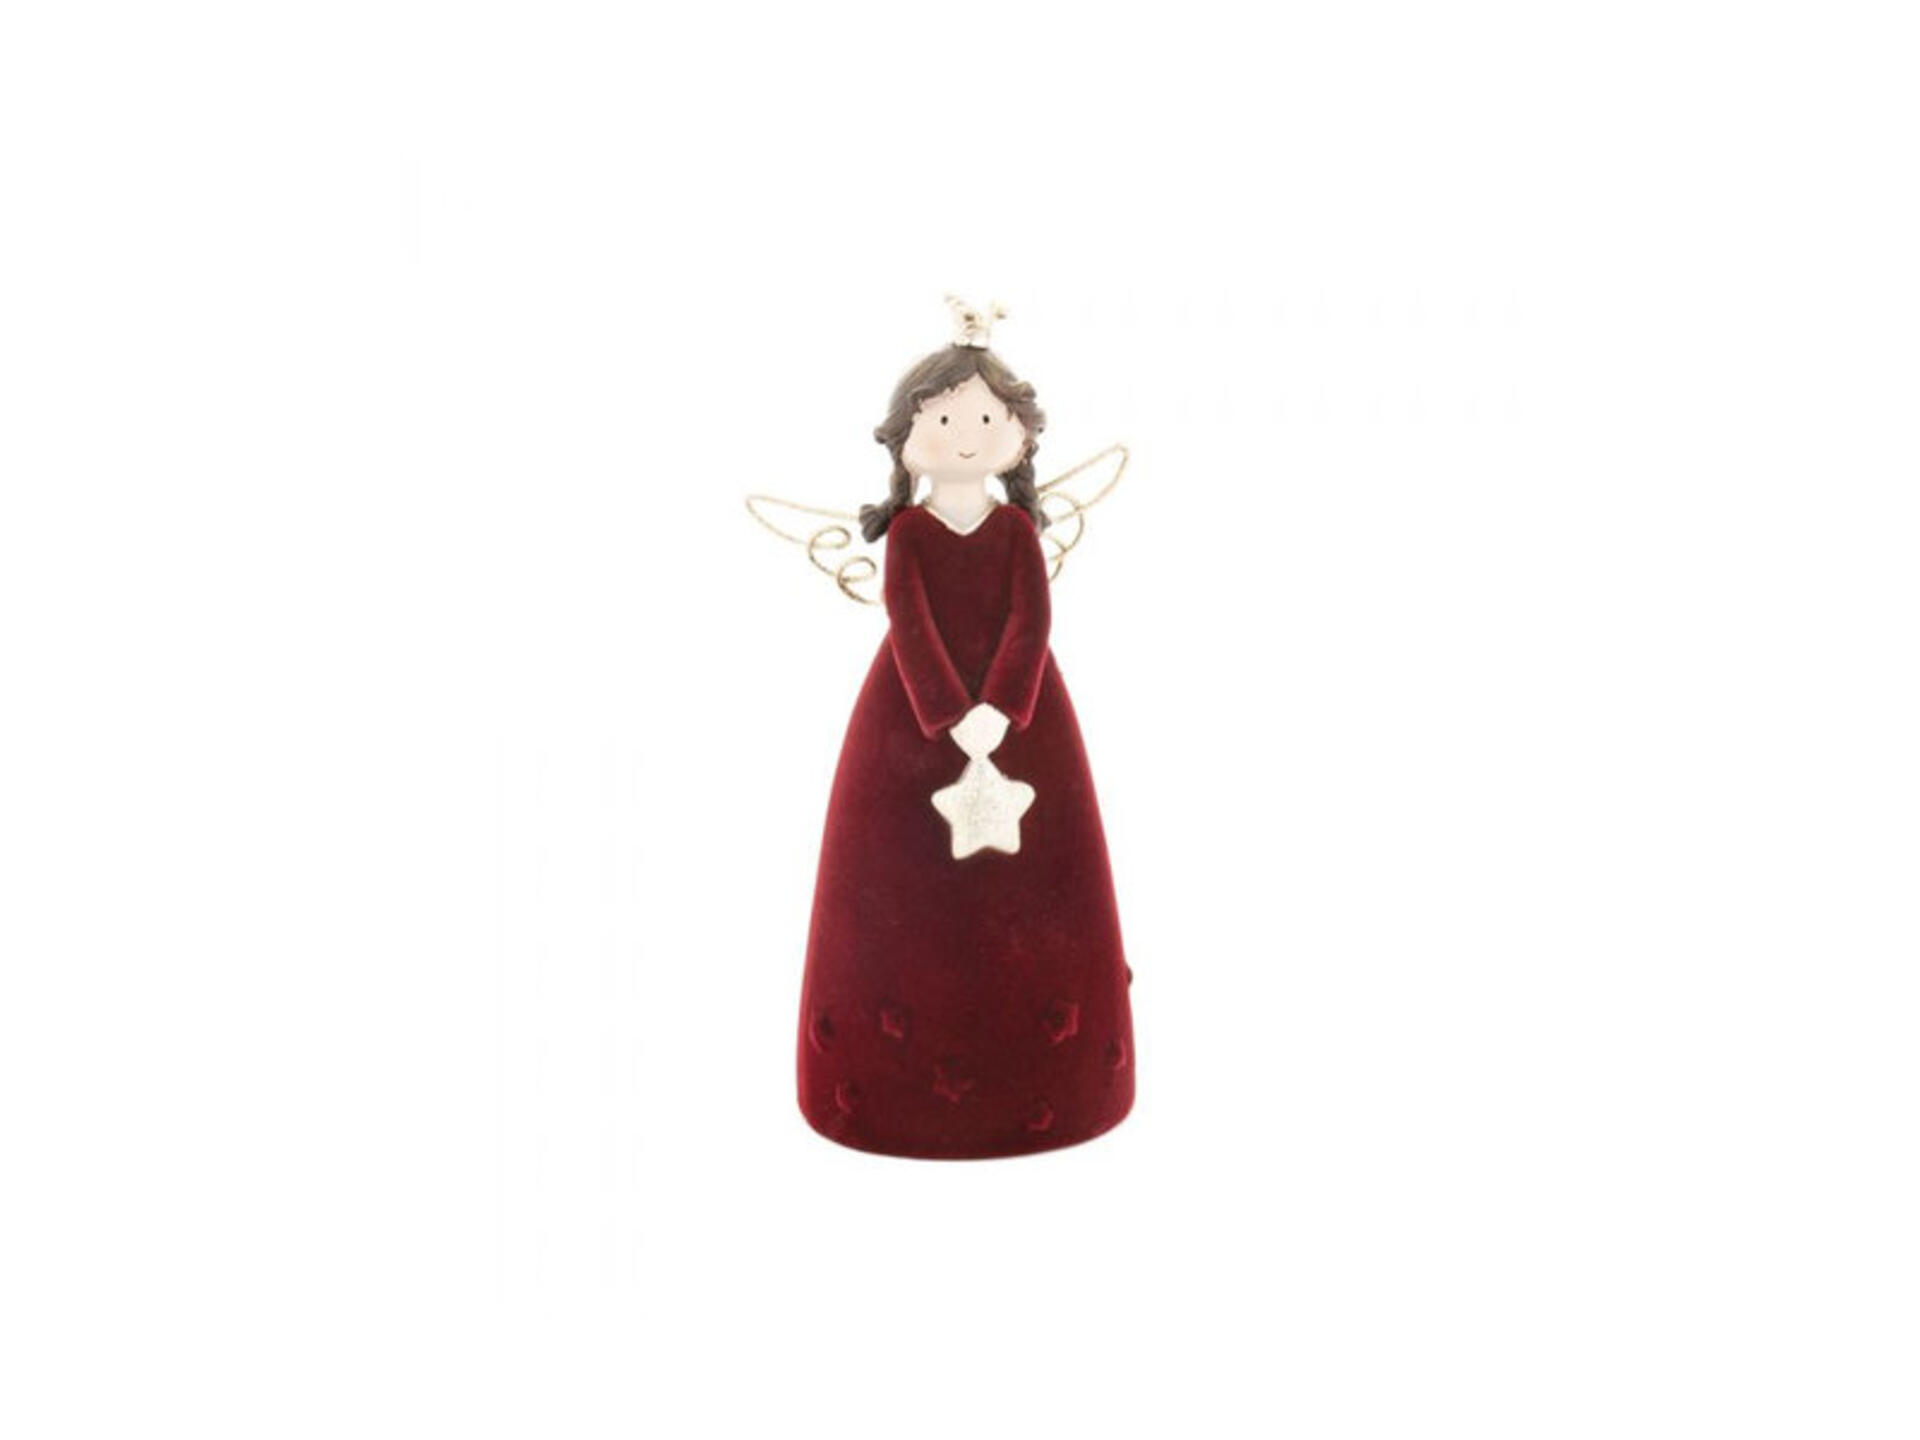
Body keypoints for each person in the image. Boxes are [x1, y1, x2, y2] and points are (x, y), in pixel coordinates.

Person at [795, 326, 1135, 1159]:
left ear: (1018, 434)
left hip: (1026, 726)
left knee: (1040, 887)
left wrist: (1006, 707)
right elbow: (909, 622)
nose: (966, 436)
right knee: (899, 894)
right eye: (943, 420)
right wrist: (949, 713)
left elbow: (1032, 620)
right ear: (907, 437)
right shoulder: (909, 537)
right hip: (909, 727)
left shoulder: (1016, 531)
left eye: (986, 419)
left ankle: (1057, 1082)